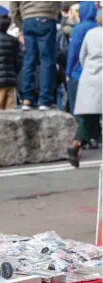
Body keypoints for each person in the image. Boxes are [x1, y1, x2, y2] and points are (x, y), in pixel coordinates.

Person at [10, 1, 61, 110]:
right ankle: (44, 99)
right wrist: (54, 11)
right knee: (46, 60)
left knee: (29, 59)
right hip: (46, 15)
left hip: (28, 18)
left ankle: (26, 99)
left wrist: (20, 24)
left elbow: (13, 6)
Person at [68, 11, 102, 168]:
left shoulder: (90, 33)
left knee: (89, 119)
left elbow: (82, 56)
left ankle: (75, 144)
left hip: (89, 78)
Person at [65, 2, 98, 115]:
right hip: (95, 74)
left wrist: (68, 72)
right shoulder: (98, 28)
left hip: (77, 74)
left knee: (76, 110)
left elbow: (73, 53)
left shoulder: (79, 29)